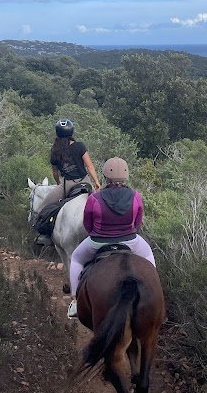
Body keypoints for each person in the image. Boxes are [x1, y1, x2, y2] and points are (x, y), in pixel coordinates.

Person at [67, 157, 155, 318]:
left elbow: (88, 224)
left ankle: (74, 301)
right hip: (130, 240)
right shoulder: (136, 196)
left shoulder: (94, 198)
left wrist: (99, 233)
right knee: (149, 255)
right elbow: (138, 223)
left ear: (105, 176)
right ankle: (154, 294)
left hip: (98, 241)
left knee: (76, 259)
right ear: (126, 175)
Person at [50, 119, 101, 197]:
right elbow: (89, 166)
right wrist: (96, 181)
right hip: (84, 181)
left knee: (44, 205)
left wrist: (58, 183)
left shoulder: (55, 150)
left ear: (57, 132)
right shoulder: (80, 146)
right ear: (71, 131)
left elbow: (55, 173)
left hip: (67, 184)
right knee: (97, 201)